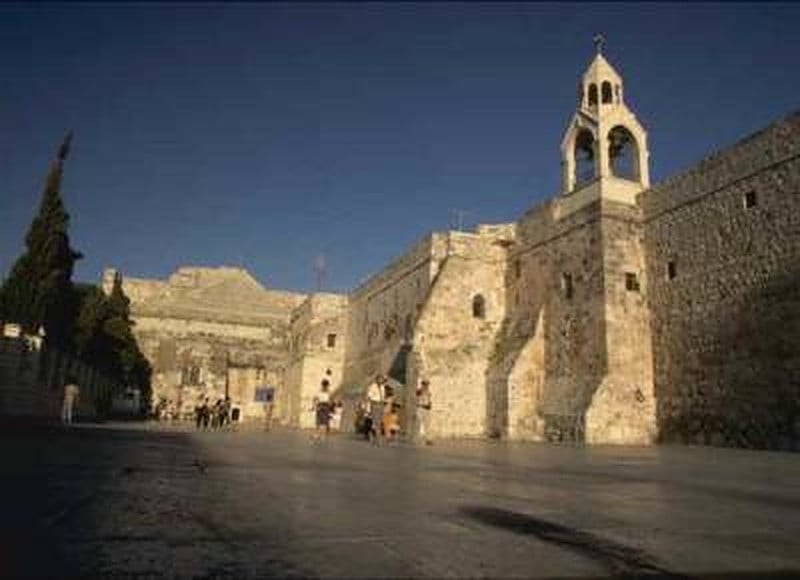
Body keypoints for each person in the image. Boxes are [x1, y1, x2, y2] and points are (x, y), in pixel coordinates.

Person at [365, 374, 385, 445]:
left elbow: (383, 396)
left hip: (381, 404)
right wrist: (369, 406)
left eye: (382, 379)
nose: (381, 380)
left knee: (379, 422)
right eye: (380, 379)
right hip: (375, 404)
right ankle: (379, 439)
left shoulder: (382, 387)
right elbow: (369, 396)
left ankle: (371, 434)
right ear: (377, 379)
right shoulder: (373, 386)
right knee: (376, 422)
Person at [416, 379, 433, 445]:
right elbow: (417, 394)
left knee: (427, 424)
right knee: (419, 423)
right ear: (422, 384)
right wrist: (421, 391)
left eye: (427, 384)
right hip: (421, 408)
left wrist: (430, 404)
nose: (426, 386)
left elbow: (428, 400)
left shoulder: (428, 392)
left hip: (427, 409)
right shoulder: (420, 391)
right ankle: (418, 438)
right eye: (425, 384)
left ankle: (428, 439)